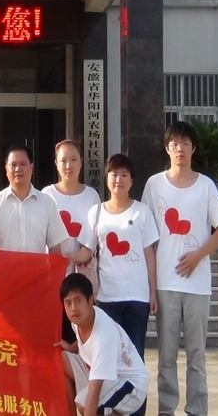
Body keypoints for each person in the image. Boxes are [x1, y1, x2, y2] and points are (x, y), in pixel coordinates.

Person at [142, 121, 218, 416]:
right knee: (166, 355)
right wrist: (150, 285)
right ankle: (166, 410)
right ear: (167, 149)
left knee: (196, 355)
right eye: (174, 143)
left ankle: (197, 410)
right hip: (166, 283)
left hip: (197, 285)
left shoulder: (205, 186)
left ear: (193, 148)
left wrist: (197, 256)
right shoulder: (154, 185)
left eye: (185, 143)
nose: (179, 148)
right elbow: (145, 234)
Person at [79, 154, 158, 416]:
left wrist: (153, 292)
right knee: (108, 361)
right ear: (107, 178)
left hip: (137, 299)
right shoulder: (96, 212)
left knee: (135, 361)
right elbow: (86, 251)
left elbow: (149, 254)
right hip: (107, 300)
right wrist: (62, 255)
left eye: (124, 175)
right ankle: (111, 410)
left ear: (132, 180)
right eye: (114, 174)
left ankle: (136, 412)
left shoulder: (142, 212)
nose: (118, 179)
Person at [59, 273, 149, 416]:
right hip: (105, 375)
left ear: (90, 301)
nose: (73, 308)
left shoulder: (103, 336)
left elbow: (94, 392)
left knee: (84, 403)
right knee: (60, 359)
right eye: (68, 303)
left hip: (130, 384)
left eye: (78, 301)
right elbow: (86, 342)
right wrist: (71, 347)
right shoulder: (77, 320)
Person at [0, 144, 88, 261]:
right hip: (5, 272)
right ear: (6, 169)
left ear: (31, 167)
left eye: (23, 164)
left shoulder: (47, 203)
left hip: (39, 272)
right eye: (13, 165)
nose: (18, 169)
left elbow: (55, 247)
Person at [42, 139, 102, 278]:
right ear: (56, 164)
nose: (68, 166)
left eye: (74, 159)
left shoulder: (91, 196)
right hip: (52, 272)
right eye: (63, 161)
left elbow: (95, 239)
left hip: (83, 274)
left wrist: (78, 255)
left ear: (81, 162)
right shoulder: (46, 194)